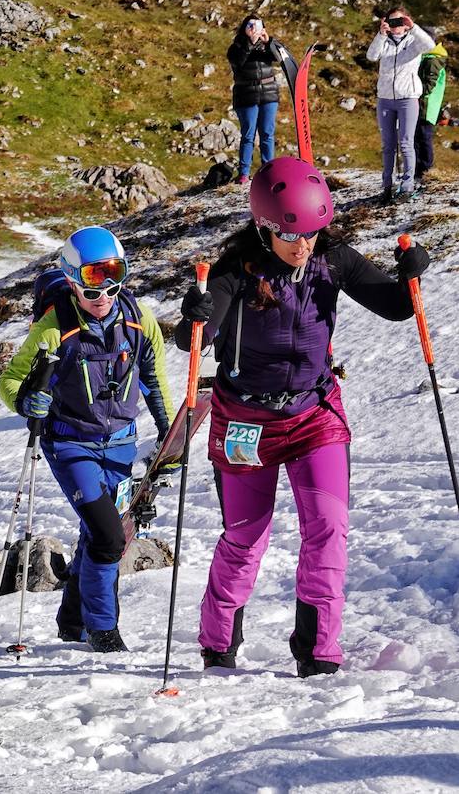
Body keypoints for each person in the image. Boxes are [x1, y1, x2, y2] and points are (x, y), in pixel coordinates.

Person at [176, 156, 428, 677]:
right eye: (293, 236)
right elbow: (196, 339)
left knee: (329, 527)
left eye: (313, 233)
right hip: (246, 420)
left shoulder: (331, 259)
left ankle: (318, 652)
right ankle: (218, 645)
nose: (304, 245)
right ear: (264, 226)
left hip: (314, 414)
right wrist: (193, 317)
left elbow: (396, 306)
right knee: (246, 536)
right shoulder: (235, 270)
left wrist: (410, 277)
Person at [0, 226, 172, 653]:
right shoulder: (53, 328)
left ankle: (72, 619)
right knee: (108, 537)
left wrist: (171, 433)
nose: (105, 292)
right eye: (94, 281)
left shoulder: (138, 319)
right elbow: (10, 381)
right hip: (70, 444)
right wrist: (27, 402)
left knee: (101, 532)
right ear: (73, 281)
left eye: (115, 275)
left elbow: (154, 378)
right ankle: (103, 630)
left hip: (121, 444)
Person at [366, 5, 436, 202]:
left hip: (408, 99)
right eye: (392, 21)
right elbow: (371, 56)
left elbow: (431, 46)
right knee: (388, 145)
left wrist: (413, 27)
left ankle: (407, 186)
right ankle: (387, 186)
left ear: (406, 23)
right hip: (385, 99)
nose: (396, 25)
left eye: (400, 21)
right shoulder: (384, 41)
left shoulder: (415, 41)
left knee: (406, 143)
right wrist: (380, 34)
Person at [228, 15, 281, 185]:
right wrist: (250, 43)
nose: (254, 28)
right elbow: (238, 62)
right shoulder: (236, 47)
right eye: (250, 25)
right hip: (246, 94)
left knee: (267, 133)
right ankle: (244, 173)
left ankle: (268, 170)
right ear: (244, 28)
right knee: (248, 134)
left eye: (257, 25)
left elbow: (280, 58)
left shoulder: (266, 46)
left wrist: (269, 42)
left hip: (268, 93)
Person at [415, 31, 447, 188]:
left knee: (423, 138)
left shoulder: (432, 61)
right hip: (427, 106)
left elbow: (429, 85)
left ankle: (425, 170)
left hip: (425, 107)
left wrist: (415, 94)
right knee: (420, 138)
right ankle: (420, 169)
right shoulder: (431, 58)